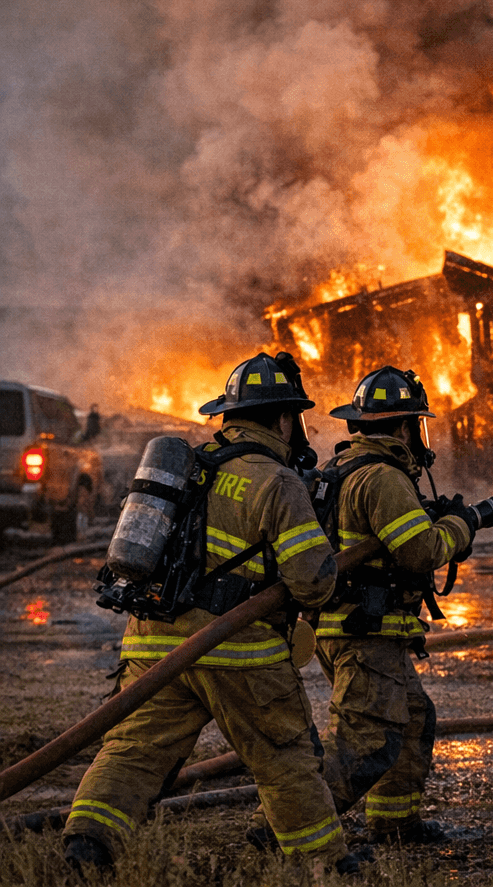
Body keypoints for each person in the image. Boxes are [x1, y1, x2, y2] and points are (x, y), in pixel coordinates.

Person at [63, 352, 357, 876]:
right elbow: (312, 582)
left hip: (153, 642)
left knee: (132, 750)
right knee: (284, 759)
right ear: (285, 418)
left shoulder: (189, 468)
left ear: (228, 414)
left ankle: (85, 848)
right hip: (237, 651)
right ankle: (325, 866)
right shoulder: (277, 482)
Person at [306, 365, 478, 844]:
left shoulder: (340, 470)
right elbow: (419, 551)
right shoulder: (382, 477)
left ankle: (394, 824)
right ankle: (286, 829)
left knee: (412, 719)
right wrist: (459, 528)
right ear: (404, 426)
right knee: (365, 741)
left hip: (354, 625)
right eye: (415, 424)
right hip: (366, 630)